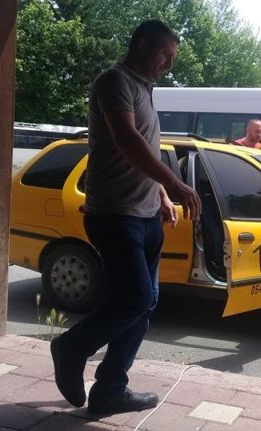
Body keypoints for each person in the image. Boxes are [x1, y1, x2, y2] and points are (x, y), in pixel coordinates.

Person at [49, 19, 201, 417]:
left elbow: (143, 148)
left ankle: (110, 391)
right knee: (135, 298)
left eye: (172, 58)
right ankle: (71, 347)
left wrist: (161, 194)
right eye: (165, 54)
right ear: (142, 44)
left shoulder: (146, 90)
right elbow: (127, 140)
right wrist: (175, 183)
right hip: (115, 215)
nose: (169, 64)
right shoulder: (114, 81)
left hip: (146, 217)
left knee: (143, 303)